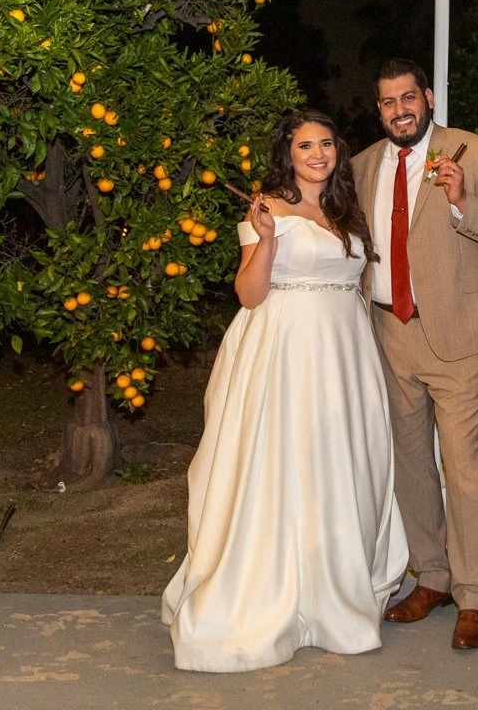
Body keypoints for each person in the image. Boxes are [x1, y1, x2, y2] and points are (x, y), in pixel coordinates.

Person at [161, 111, 408, 672]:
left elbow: (361, 287)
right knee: (280, 467)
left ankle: (334, 592)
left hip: (344, 356)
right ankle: (274, 595)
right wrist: (266, 241)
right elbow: (249, 294)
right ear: (287, 154)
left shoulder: (346, 211)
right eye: (305, 145)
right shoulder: (265, 208)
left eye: (325, 143)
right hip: (283, 354)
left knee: (339, 466)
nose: (318, 153)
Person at [352, 59, 478, 651]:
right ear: (378, 110)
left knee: (463, 464)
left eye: (408, 98)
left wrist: (460, 203)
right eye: (387, 102)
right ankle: (433, 578)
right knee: (410, 464)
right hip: (390, 334)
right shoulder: (363, 164)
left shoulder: (471, 151)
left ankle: (476, 596)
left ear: (427, 97)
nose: (399, 110)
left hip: (460, 337)